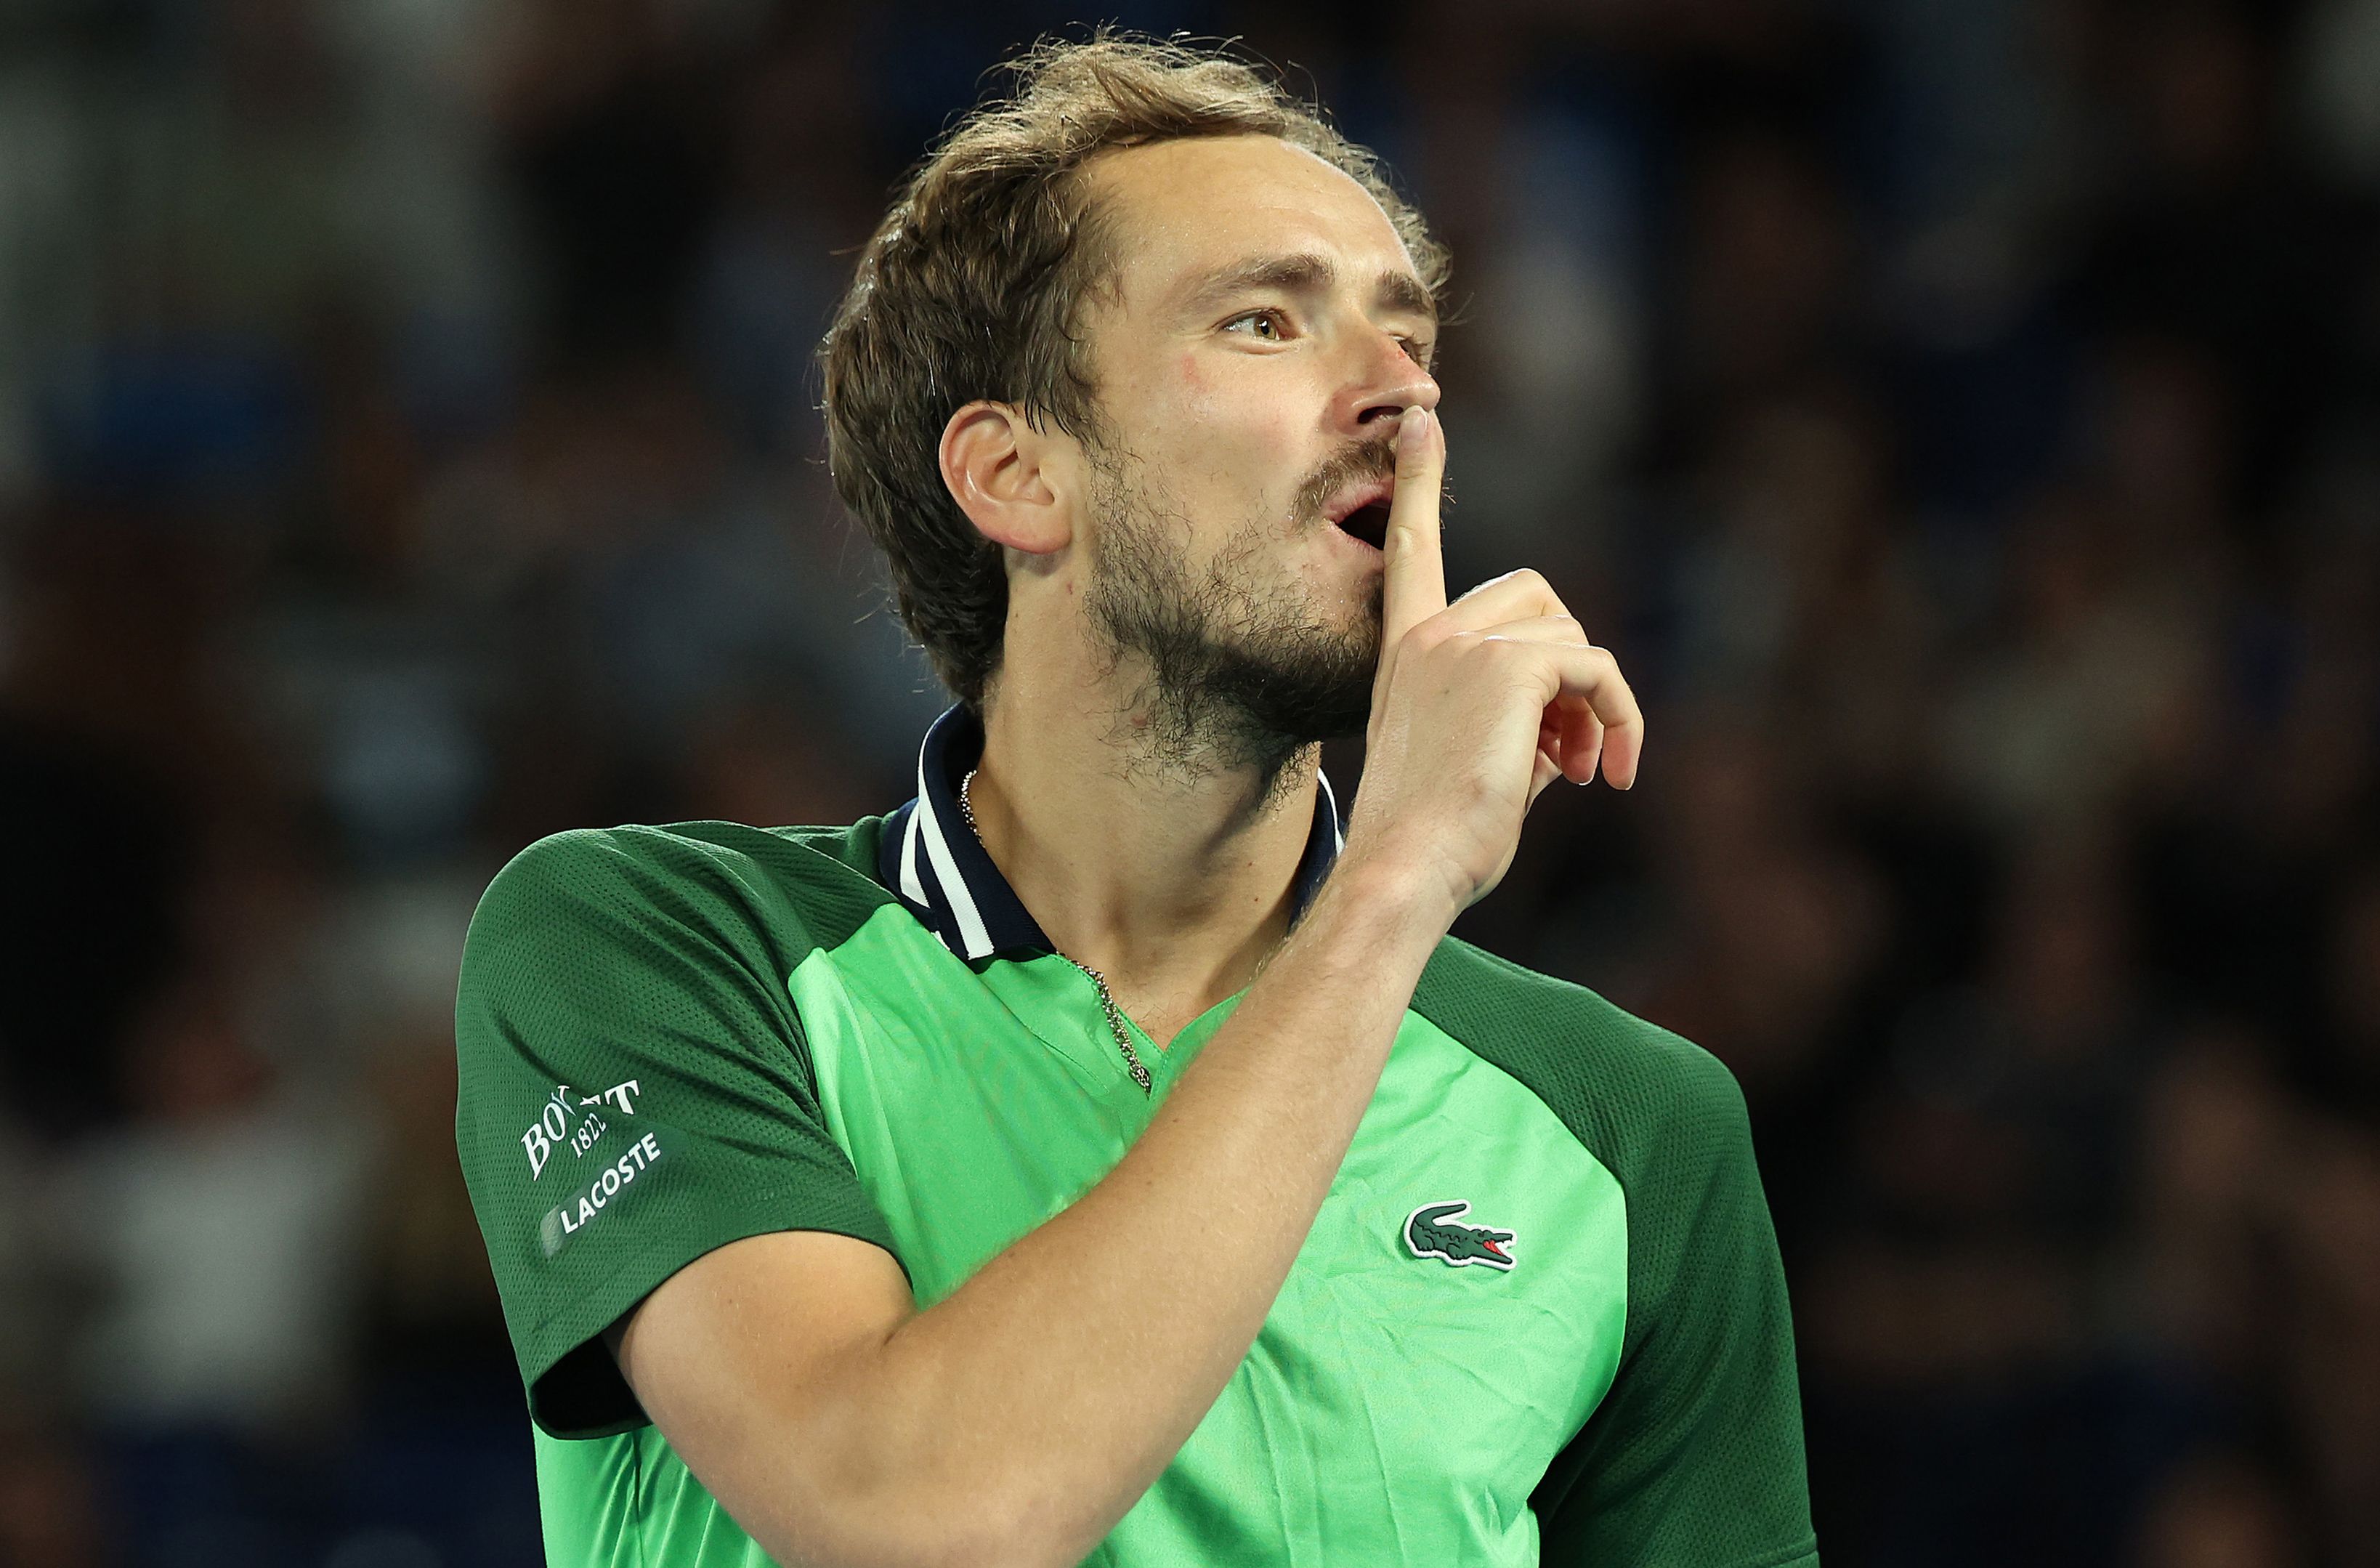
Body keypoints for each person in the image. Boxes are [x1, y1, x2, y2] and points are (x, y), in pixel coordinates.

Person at [453, 31, 1814, 1568]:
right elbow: (908, 1510)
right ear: (1016, 475)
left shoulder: (1627, 1122)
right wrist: (1391, 883)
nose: (1404, 401)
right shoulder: (659, 952)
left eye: (1405, 336)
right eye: (1262, 321)